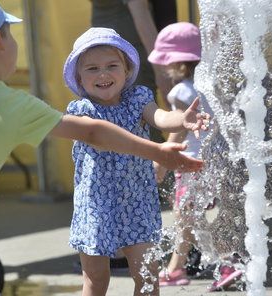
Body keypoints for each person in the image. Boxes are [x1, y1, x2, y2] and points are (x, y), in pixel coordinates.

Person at [0, 1, 206, 295]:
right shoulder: (13, 103)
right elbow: (94, 132)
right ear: (0, 42)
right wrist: (158, 152)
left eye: (111, 65)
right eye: (10, 34)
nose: (103, 74)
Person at [62, 27, 209, 296]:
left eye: (111, 66)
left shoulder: (138, 98)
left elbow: (160, 117)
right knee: (96, 279)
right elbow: (98, 137)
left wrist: (181, 119)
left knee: (148, 277)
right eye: (92, 68)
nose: (103, 74)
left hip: (137, 201)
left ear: (127, 70)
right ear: (79, 79)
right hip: (96, 204)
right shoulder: (80, 112)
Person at [147, 22, 210, 287]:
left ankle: (177, 268)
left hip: (188, 161)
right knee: (194, 216)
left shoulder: (181, 91)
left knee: (185, 216)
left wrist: (161, 160)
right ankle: (222, 258)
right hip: (210, 159)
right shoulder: (207, 85)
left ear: (176, 63)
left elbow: (179, 131)